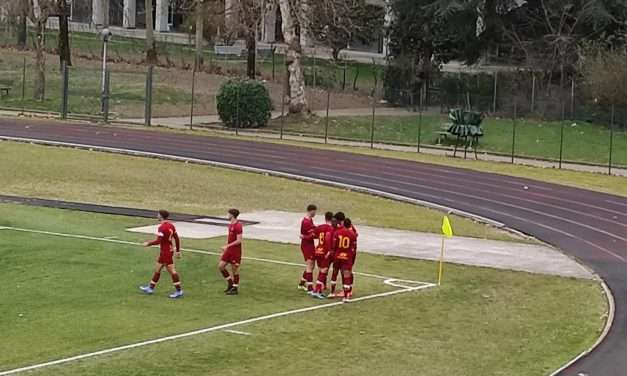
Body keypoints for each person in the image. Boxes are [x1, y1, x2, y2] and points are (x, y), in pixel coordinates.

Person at [140, 210, 183, 299]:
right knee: (158, 268)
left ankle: (179, 291)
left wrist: (148, 243)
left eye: (158, 214)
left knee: (172, 271)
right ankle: (150, 288)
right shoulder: (171, 225)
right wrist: (178, 250)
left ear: (161, 216)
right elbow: (176, 238)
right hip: (168, 250)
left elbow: (158, 241)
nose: (157, 216)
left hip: (165, 252)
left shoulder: (162, 228)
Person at [219, 209, 243, 295]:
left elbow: (239, 240)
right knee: (221, 266)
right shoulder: (230, 225)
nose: (227, 215)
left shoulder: (238, 226)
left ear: (232, 215)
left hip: (235, 252)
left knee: (234, 270)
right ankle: (230, 283)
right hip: (229, 250)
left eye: (228, 214)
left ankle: (235, 288)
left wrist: (227, 246)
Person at [311, 212, 335, 298]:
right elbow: (328, 239)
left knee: (321, 270)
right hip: (325, 252)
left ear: (325, 218)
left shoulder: (320, 227)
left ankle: (320, 289)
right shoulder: (331, 229)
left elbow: (313, 235)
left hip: (318, 250)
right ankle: (316, 290)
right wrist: (329, 251)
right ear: (332, 219)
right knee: (324, 271)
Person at [333, 218, 357, 303]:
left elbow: (334, 246)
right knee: (347, 275)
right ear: (350, 224)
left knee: (335, 272)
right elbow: (354, 249)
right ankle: (346, 295)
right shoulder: (352, 234)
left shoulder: (337, 232)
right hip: (347, 257)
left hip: (338, 256)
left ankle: (332, 292)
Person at [298, 204, 317, 292]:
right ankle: (310, 287)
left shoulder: (310, 220)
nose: (315, 213)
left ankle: (302, 283)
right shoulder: (306, 222)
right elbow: (311, 235)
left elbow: (313, 230)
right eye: (314, 211)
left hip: (310, 244)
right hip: (306, 245)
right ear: (311, 211)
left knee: (312, 265)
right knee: (310, 264)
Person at [328, 211, 345, 297]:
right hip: (345, 255)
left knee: (339, 272)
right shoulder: (344, 229)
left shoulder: (338, 231)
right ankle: (345, 291)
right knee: (341, 272)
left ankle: (335, 292)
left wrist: (331, 251)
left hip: (338, 255)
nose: (333, 223)